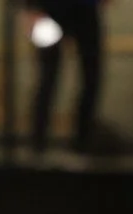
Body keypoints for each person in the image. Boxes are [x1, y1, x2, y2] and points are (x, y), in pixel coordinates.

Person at [27, 0, 106, 159]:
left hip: (76, 9)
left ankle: (80, 143)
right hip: (53, 10)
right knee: (49, 76)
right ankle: (39, 144)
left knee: (88, 76)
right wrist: (32, 8)